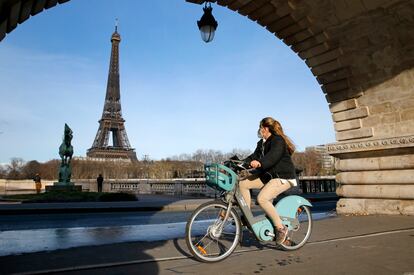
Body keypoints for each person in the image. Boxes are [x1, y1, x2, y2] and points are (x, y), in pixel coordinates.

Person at [240, 117, 297, 244]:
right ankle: (247, 215)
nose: (259, 130)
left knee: (262, 199)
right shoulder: (261, 143)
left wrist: (260, 163)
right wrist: (239, 163)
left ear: (265, 128)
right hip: (268, 176)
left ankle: (280, 229)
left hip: (282, 176)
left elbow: (273, 157)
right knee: (243, 183)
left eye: (260, 128)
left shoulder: (278, 140)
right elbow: (252, 157)